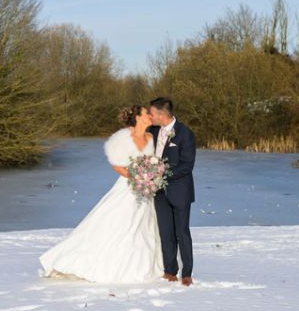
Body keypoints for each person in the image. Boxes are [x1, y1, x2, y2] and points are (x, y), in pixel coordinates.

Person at [39, 105, 164, 283]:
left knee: (145, 226)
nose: (150, 116)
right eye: (146, 113)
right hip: (129, 186)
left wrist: (151, 176)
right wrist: (137, 177)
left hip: (147, 188)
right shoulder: (123, 137)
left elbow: (156, 161)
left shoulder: (153, 137)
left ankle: (145, 266)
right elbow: (116, 164)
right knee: (120, 222)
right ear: (137, 117)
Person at [148, 97, 196, 286]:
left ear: (161, 114)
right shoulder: (152, 131)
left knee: (182, 233)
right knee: (165, 232)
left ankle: (187, 273)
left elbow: (187, 166)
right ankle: (170, 270)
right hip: (159, 192)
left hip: (180, 191)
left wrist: (162, 174)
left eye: (152, 114)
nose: (150, 117)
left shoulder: (185, 134)